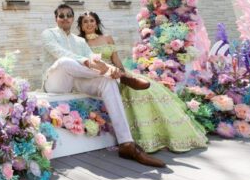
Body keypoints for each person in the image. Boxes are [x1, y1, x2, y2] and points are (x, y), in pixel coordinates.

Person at [41, 4, 166, 168]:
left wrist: (94, 61)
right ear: (55, 18)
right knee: (65, 61)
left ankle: (127, 144)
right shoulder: (48, 34)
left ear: (72, 18)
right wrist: (87, 62)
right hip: (56, 81)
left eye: (68, 15)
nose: (65, 18)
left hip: (77, 80)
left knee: (108, 81)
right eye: (61, 16)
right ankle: (121, 76)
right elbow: (59, 52)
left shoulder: (79, 40)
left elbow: (91, 57)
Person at [78, 11, 208, 153]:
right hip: (99, 76)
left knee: (149, 89)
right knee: (129, 90)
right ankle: (133, 138)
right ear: (81, 26)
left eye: (91, 20)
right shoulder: (79, 42)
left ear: (96, 23)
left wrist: (122, 72)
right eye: (85, 22)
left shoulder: (107, 38)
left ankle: (162, 134)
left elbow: (116, 60)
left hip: (119, 73)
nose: (89, 24)